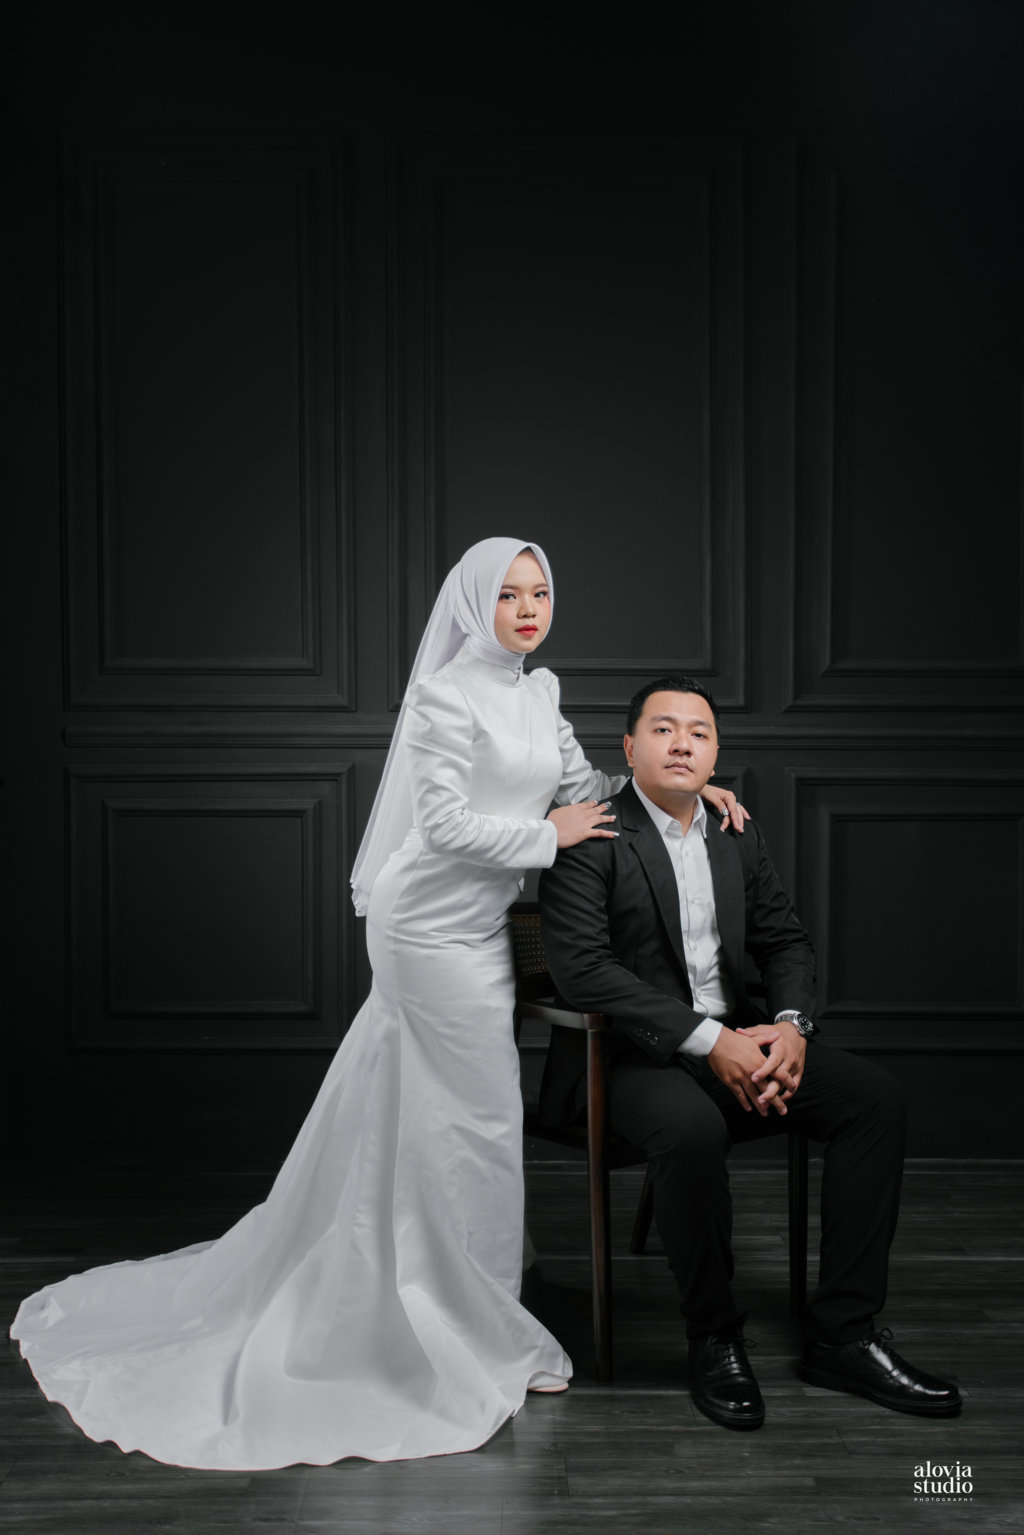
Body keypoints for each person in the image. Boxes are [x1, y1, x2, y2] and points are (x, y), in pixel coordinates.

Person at [11, 542, 745, 1470]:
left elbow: (589, 789)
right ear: (474, 604)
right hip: (425, 924)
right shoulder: (443, 694)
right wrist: (543, 834)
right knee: (475, 1119)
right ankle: (468, 1324)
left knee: (442, 1115)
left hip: (479, 929)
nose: (528, 608)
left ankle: (455, 1292)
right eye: (509, 594)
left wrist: (685, 787)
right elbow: (443, 825)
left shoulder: (540, 691)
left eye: (540, 592)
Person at [538, 674, 962, 1430]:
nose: (682, 744)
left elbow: (784, 940)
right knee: (692, 1130)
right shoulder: (588, 833)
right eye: (663, 729)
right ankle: (714, 1334)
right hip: (624, 1058)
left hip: (740, 1036)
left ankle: (843, 1334)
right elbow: (583, 971)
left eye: (698, 733)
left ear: (715, 754)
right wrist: (712, 1041)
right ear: (628, 748)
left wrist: (791, 1026)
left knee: (874, 1101)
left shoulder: (734, 829)